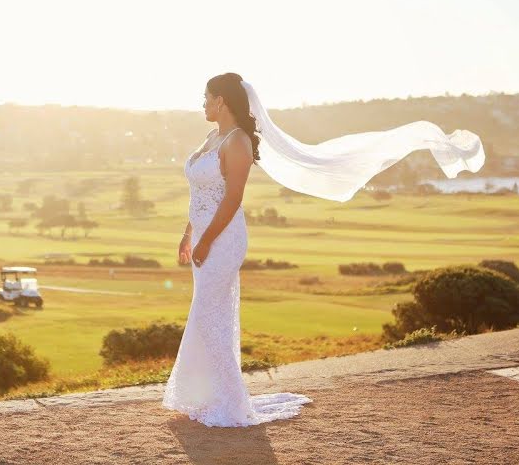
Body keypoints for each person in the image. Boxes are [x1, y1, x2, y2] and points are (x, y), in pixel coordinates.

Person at [161, 72, 485, 427]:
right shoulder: (212, 137)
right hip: (205, 235)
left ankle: (229, 401)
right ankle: (204, 394)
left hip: (223, 240)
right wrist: (188, 233)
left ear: (221, 100)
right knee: (208, 313)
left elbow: (232, 198)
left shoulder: (236, 142)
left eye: (206, 97)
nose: (202, 103)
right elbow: (201, 195)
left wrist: (207, 240)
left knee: (208, 315)